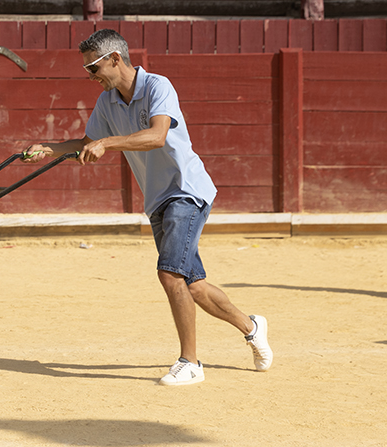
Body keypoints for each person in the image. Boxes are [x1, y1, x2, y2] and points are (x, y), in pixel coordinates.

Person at [24, 28, 272, 386]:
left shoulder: (158, 85)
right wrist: (49, 148)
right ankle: (252, 327)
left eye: (93, 68)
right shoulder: (107, 102)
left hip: (186, 191)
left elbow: (157, 136)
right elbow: (85, 142)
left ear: (115, 59)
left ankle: (191, 363)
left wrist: (108, 143)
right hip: (157, 198)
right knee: (194, 285)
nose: (90, 77)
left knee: (169, 273)